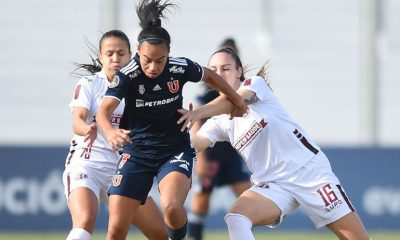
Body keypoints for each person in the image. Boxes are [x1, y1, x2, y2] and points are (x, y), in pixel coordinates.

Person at [178, 47, 370, 240]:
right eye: (214, 70)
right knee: (237, 218)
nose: (219, 74)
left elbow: (236, 102)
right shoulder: (218, 123)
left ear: (239, 71)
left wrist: (197, 113)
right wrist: (165, 147)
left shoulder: (256, 85)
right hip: (273, 185)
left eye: (225, 68)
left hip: (309, 173)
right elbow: (194, 144)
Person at [95, 1, 247, 240]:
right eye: (147, 59)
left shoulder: (179, 67)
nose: (153, 67)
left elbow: (208, 75)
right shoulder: (127, 75)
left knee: (172, 207)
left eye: (160, 60)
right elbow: (103, 111)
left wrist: (236, 99)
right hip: (136, 153)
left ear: (169, 53)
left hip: (173, 150)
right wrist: (110, 132)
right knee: (115, 230)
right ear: (137, 51)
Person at [63, 30, 167, 240]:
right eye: (109, 53)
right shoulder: (89, 84)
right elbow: (77, 121)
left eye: (121, 53)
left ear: (131, 55)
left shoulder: (141, 87)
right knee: (84, 221)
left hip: (124, 169)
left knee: (161, 234)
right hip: (87, 164)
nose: (115, 59)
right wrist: (88, 129)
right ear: (101, 57)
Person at [187, 39, 251, 240]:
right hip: (211, 152)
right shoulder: (208, 90)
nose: (222, 71)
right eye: (217, 67)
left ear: (238, 67)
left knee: (248, 196)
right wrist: (202, 158)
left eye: (227, 66)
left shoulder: (250, 87)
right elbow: (198, 122)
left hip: (231, 154)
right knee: (201, 200)